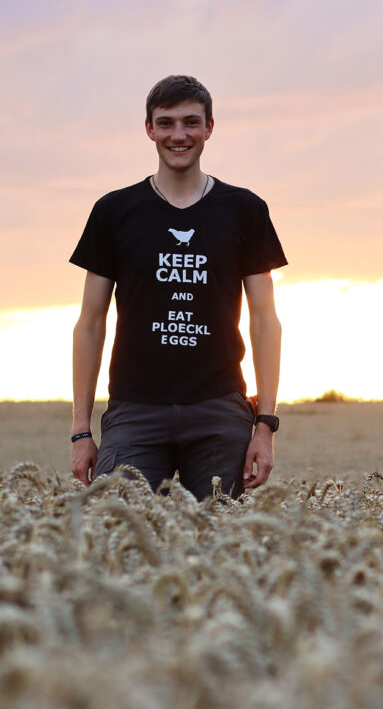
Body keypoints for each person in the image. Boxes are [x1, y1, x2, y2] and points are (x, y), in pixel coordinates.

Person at [69, 74, 287, 500]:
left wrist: (265, 425)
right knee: (118, 533)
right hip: (134, 410)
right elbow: (90, 323)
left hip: (220, 409)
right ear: (149, 129)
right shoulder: (114, 211)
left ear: (209, 127)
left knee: (220, 542)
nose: (179, 134)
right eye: (166, 123)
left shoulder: (245, 210)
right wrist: (80, 430)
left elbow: (265, 320)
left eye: (191, 122)